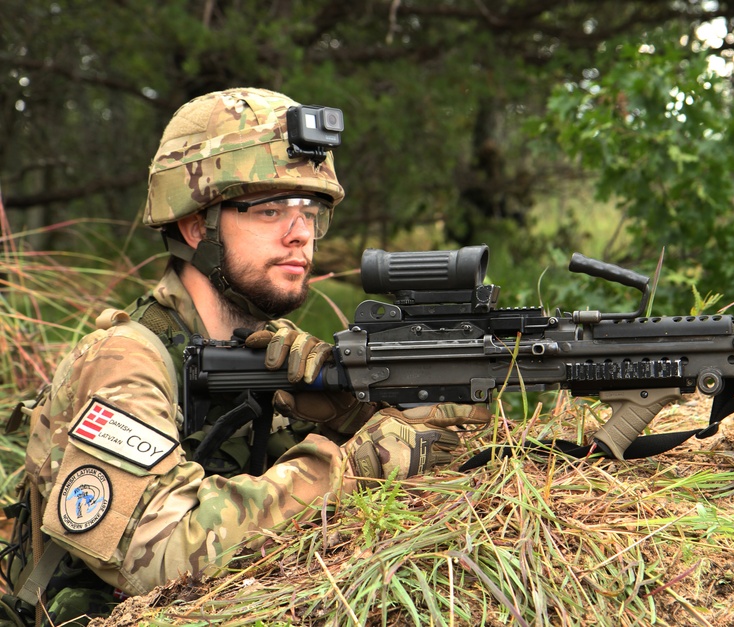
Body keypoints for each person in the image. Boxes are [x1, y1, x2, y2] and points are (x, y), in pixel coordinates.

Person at [3, 87, 489, 625]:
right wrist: (355, 466)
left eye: (312, 211)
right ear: (196, 225)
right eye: (270, 209)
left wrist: (358, 412)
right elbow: (160, 553)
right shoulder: (125, 361)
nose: (300, 233)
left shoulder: (276, 354)